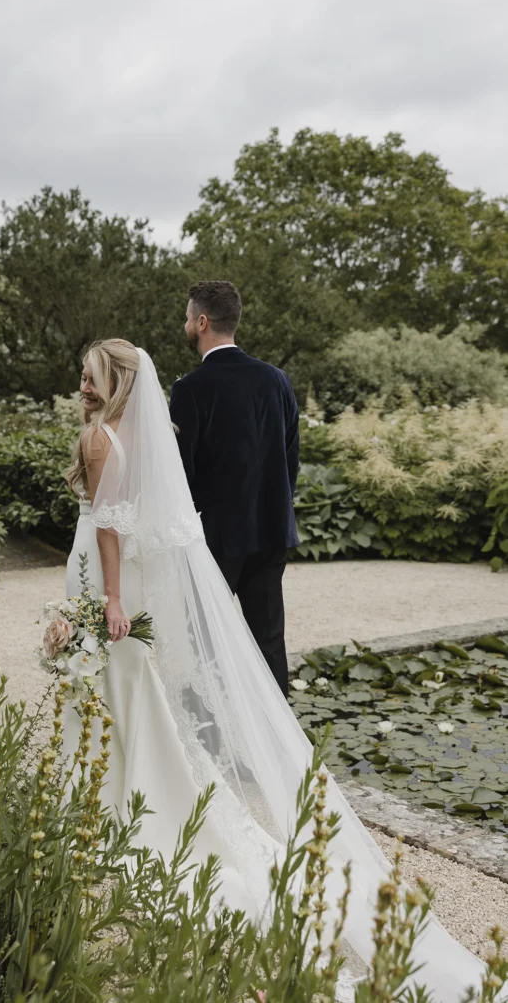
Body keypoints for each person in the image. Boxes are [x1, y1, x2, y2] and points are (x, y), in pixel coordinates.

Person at [62, 337, 494, 1003]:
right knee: (151, 688)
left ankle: (117, 803)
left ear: (114, 380)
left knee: (120, 691)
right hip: (183, 562)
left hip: (111, 580)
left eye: (90, 378)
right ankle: (130, 796)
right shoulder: (150, 431)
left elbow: (110, 529)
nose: (83, 386)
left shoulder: (100, 439)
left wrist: (107, 601)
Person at [169, 280, 299, 698]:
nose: (186, 324)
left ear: (202, 322)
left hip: (215, 540)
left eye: (188, 318)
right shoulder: (277, 380)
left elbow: (180, 477)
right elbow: (289, 459)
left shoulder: (190, 389)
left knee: (204, 646)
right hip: (271, 530)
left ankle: (209, 740)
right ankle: (281, 751)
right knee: (269, 642)